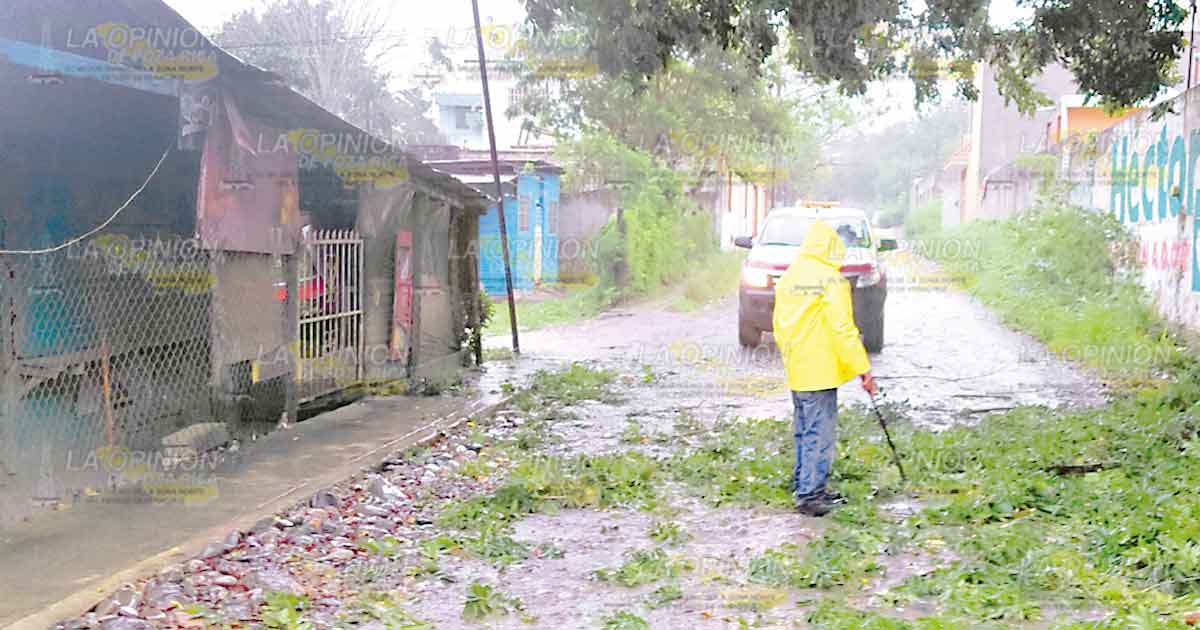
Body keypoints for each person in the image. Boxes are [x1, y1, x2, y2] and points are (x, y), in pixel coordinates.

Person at [772, 219, 877, 516]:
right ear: (832, 247)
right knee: (820, 432)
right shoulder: (831, 280)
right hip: (820, 370)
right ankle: (810, 495)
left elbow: (778, 324)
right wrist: (863, 369)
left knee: (804, 430)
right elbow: (842, 329)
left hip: (798, 368)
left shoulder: (791, 276)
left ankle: (805, 483)